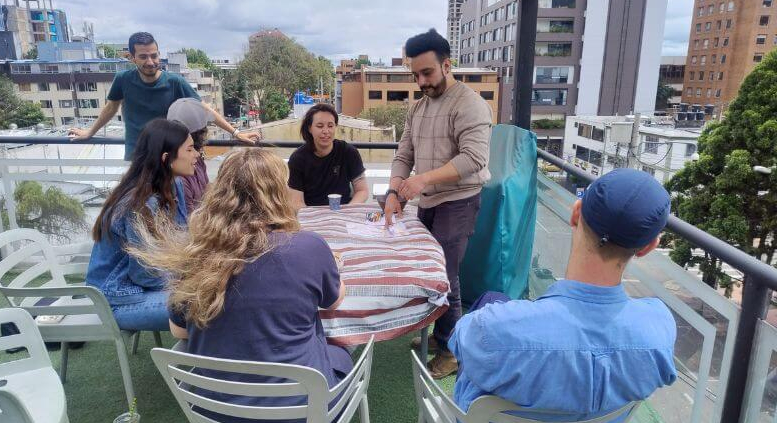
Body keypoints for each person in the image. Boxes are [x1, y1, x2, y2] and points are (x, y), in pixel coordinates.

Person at [129, 149, 352, 422]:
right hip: (300, 409)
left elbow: (179, 330)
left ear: (219, 192)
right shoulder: (310, 246)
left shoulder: (194, 251)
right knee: (342, 350)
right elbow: (333, 300)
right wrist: (333, 272)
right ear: (279, 193)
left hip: (212, 407)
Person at [449, 169, 678, 421]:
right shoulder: (659, 331)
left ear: (576, 213)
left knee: (491, 300)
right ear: (648, 247)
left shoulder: (492, 329)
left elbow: (459, 341)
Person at [384, 29, 491, 378]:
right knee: (429, 272)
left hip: (459, 201)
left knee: (446, 277)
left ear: (447, 65)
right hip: (428, 201)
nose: (421, 81)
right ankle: (439, 335)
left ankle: (450, 351)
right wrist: (392, 192)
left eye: (427, 72)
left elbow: (473, 159)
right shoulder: (418, 107)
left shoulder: (470, 103)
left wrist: (422, 180)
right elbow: (404, 154)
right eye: (415, 75)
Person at [68, 32, 258, 160]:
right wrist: (89, 133)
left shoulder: (174, 82)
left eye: (154, 55)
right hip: (137, 156)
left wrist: (236, 133)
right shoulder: (123, 79)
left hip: (167, 156)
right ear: (131, 57)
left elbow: (204, 110)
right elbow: (111, 108)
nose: (150, 62)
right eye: (143, 57)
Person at [85, 119, 198, 331]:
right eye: (190, 149)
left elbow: (182, 238)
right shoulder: (140, 204)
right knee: (205, 308)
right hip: (118, 299)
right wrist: (186, 282)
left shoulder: (175, 186)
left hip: (145, 289)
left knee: (217, 293)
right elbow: (144, 273)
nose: (197, 154)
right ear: (166, 159)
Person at [167, 98, 260, 213]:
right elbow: (189, 221)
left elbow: (206, 190)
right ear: (200, 132)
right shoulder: (180, 179)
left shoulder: (196, 159)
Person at [288, 103, 368, 208]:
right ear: (309, 128)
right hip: (311, 215)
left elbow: (362, 190)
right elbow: (296, 202)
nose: (326, 131)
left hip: (343, 212)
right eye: (319, 126)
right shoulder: (298, 159)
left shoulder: (348, 152)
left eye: (330, 126)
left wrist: (347, 210)